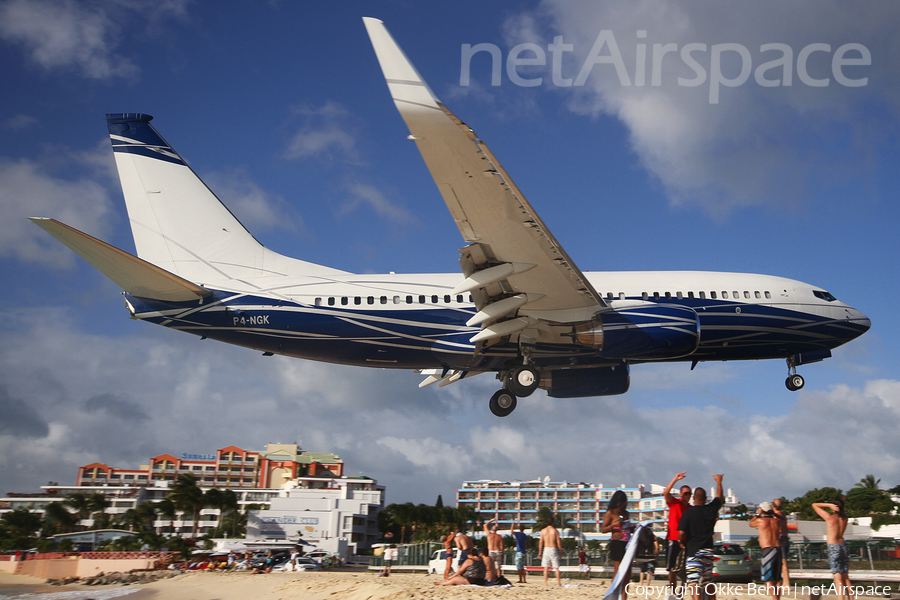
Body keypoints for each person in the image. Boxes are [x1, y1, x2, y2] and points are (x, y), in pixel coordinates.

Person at [678, 474, 724, 600]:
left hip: (694, 550)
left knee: (693, 582)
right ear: (705, 498)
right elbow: (719, 497)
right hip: (708, 550)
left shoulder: (688, 512)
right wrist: (719, 482)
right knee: (708, 581)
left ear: (693, 498)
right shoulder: (711, 510)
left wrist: (681, 542)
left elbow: (681, 532)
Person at [812, 499, 853, 600]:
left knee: (837, 577)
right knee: (845, 576)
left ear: (834, 507)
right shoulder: (845, 518)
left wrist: (828, 505)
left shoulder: (830, 518)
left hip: (833, 547)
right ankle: (851, 598)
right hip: (843, 545)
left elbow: (814, 505)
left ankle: (841, 598)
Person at [602, 489, 634, 600]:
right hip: (616, 543)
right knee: (618, 571)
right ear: (616, 502)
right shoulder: (610, 513)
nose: (622, 505)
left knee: (628, 573)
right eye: (621, 503)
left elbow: (628, 528)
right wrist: (613, 525)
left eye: (624, 503)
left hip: (627, 544)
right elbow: (603, 529)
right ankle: (613, 596)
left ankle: (624, 597)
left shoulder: (626, 513)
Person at [663, 472, 691, 593]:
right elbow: (665, 492)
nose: (687, 496)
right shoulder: (675, 503)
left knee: (686, 568)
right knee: (672, 569)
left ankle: (681, 592)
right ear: (681, 494)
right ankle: (673, 592)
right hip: (673, 539)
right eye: (685, 493)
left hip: (685, 541)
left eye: (689, 493)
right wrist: (675, 479)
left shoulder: (691, 509)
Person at [750, 502, 783, 600]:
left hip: (768, 550)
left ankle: (775, 598)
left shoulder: (760, 521)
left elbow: (751, 523)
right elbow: (783, 519)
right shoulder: (777, 521)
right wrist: (774, 513)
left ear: (762, 510)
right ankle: (778, 598)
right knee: (777, 579)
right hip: (778, 548)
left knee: (767, 579)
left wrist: (757, 514)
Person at [539, 513, 563, 587]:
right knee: (556, 567)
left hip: (546, 549)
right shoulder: (555, 531)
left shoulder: (543, 531)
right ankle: (558, 583)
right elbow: (558, 542)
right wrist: (560, 551)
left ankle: (546, 583)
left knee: (546, 567)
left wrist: (540, 552)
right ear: (553, 522)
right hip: (553, 548)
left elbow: (541, 542)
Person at [772, 498, 791, 587]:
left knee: (783, 562)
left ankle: (786, 583)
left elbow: (777, 528)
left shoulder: (777, 516)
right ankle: (784, 582)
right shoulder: (783, 514)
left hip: (780, 539)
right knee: (782, 561)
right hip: (785, 538)